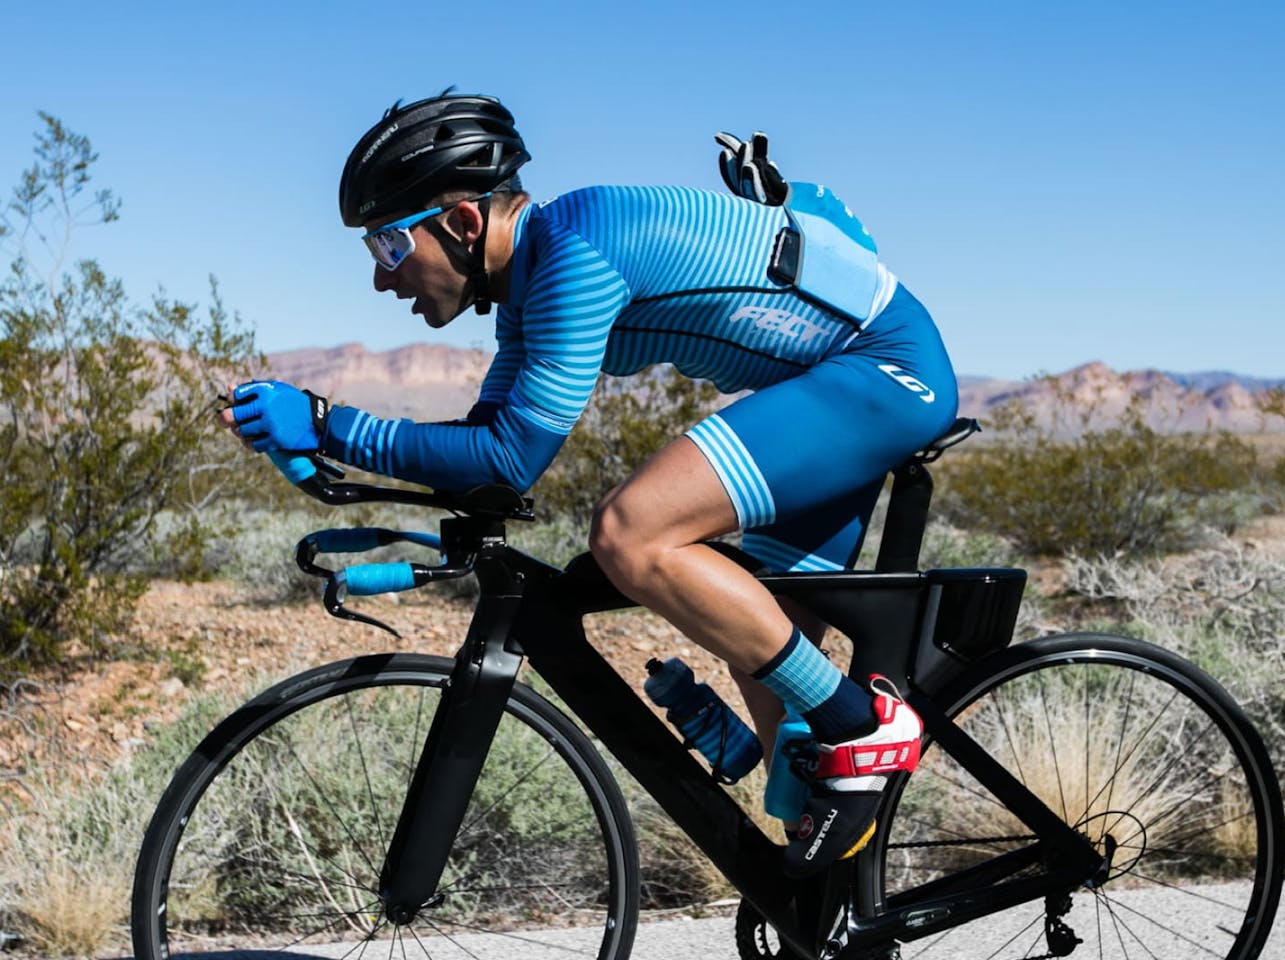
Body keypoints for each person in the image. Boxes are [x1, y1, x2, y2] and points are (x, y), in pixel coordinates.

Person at [220, 91, 958, 877]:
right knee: (787, 733)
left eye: (389, 247)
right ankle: (841, 906)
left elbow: (509, 457)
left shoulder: (576, 252)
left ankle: (864, 724)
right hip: (828, 387)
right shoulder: (530, 290)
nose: (381, 279)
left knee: (630, 534)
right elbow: (483, 456)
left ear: (463, 223)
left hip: (880, 372)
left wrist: (330, 424)